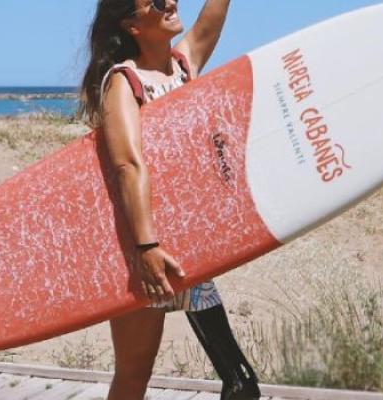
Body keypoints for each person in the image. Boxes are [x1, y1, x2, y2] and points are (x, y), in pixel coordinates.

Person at [77, 1, 260, 399]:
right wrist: (146, 249)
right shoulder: (123, 82)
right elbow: (128, 164)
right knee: (134, 373)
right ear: (132, 24)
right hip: (142, 252)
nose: (171, 3)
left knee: (241, 383)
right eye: (155, 2)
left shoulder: (183, 66)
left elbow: (211, 19)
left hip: (188, 252)